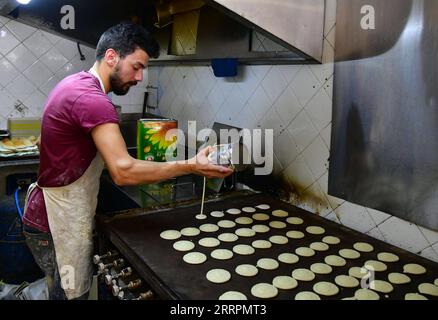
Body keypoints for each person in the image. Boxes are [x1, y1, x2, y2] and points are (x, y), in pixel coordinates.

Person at [8, 22, 233, 300]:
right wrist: (190, 165)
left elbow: (45, 143)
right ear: (112, 56)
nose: (139, 77)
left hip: (43, 212)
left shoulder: (72, 83)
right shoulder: (93, 99)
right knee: (68, 295)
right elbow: (123, 172)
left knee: (58, 286)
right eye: (137, 66)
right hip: (56, 222)